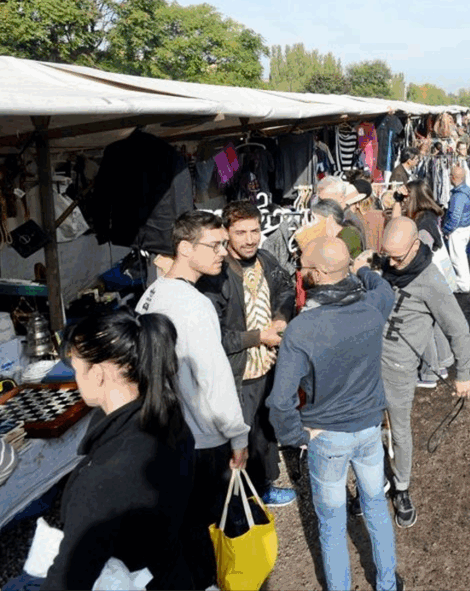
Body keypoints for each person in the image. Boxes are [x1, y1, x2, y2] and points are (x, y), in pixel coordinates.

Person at [267, 238, 402, 591]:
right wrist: (360, 268)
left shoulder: (302, 328)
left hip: (325, 436)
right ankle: (387, 584)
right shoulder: (373, 307)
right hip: (370, 429)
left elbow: (280, 402)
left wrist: (296, 438)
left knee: (331, 523)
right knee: (375, 507)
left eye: (304, 267)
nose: (300, 271)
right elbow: (382, 285)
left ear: (320, 273)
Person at [136, 211, 249, 590]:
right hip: (201, 438)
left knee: (181, 529)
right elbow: (214, 378)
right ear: (185, 248)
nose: (223, 251)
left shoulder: (151, 295)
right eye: (214, 245)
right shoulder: (195, 306)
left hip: (164, 431)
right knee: (205, 532)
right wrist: (238, 436)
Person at [41, 311, 194, 590]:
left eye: (76, 369)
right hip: (172, 572)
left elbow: (69, 578)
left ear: (97, 374)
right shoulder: (169, 417)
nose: (76, 380)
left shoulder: (104, 477)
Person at [198, 201, 296, 508]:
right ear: (226, 233)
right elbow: (213, 337)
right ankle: (237, 506)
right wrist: (258, 336)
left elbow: (287, 288)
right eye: (240, 232)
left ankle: (263, 488)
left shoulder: (265, 259)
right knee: (239, 440)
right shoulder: (217, 275)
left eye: (254, 230)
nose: (250, 239)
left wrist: (281, 316)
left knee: (263, 433)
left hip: (267, 368)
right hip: (237, 375)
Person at [379, 217, 470, 528]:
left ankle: (402, 488)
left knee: (400, 429)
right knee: (367, 427)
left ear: (416, 247)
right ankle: (373, 480)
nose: (391, 263)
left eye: (398, 257)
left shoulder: (431, 280)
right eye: (387, 255)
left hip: (398, 369)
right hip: (367, 362)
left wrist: (463, 373)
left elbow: (458, 330)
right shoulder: (386, 264)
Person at [443, 165, 470, 294]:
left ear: (453, 177)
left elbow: (455, 217)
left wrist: (446, 229)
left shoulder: (458, 196)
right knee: (461, 255)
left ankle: (463, 284)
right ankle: (466, 278)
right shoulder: (467, 190)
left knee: (457, 258)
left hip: (458, 229)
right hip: (466, 227)